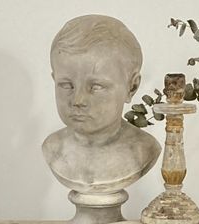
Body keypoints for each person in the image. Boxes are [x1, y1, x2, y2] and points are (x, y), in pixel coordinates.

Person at [42, 15, 161, 194]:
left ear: (132, 86)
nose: (77, 100)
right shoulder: (53, 148)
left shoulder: (143, 150)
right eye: (66, 85)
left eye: (96, 87)